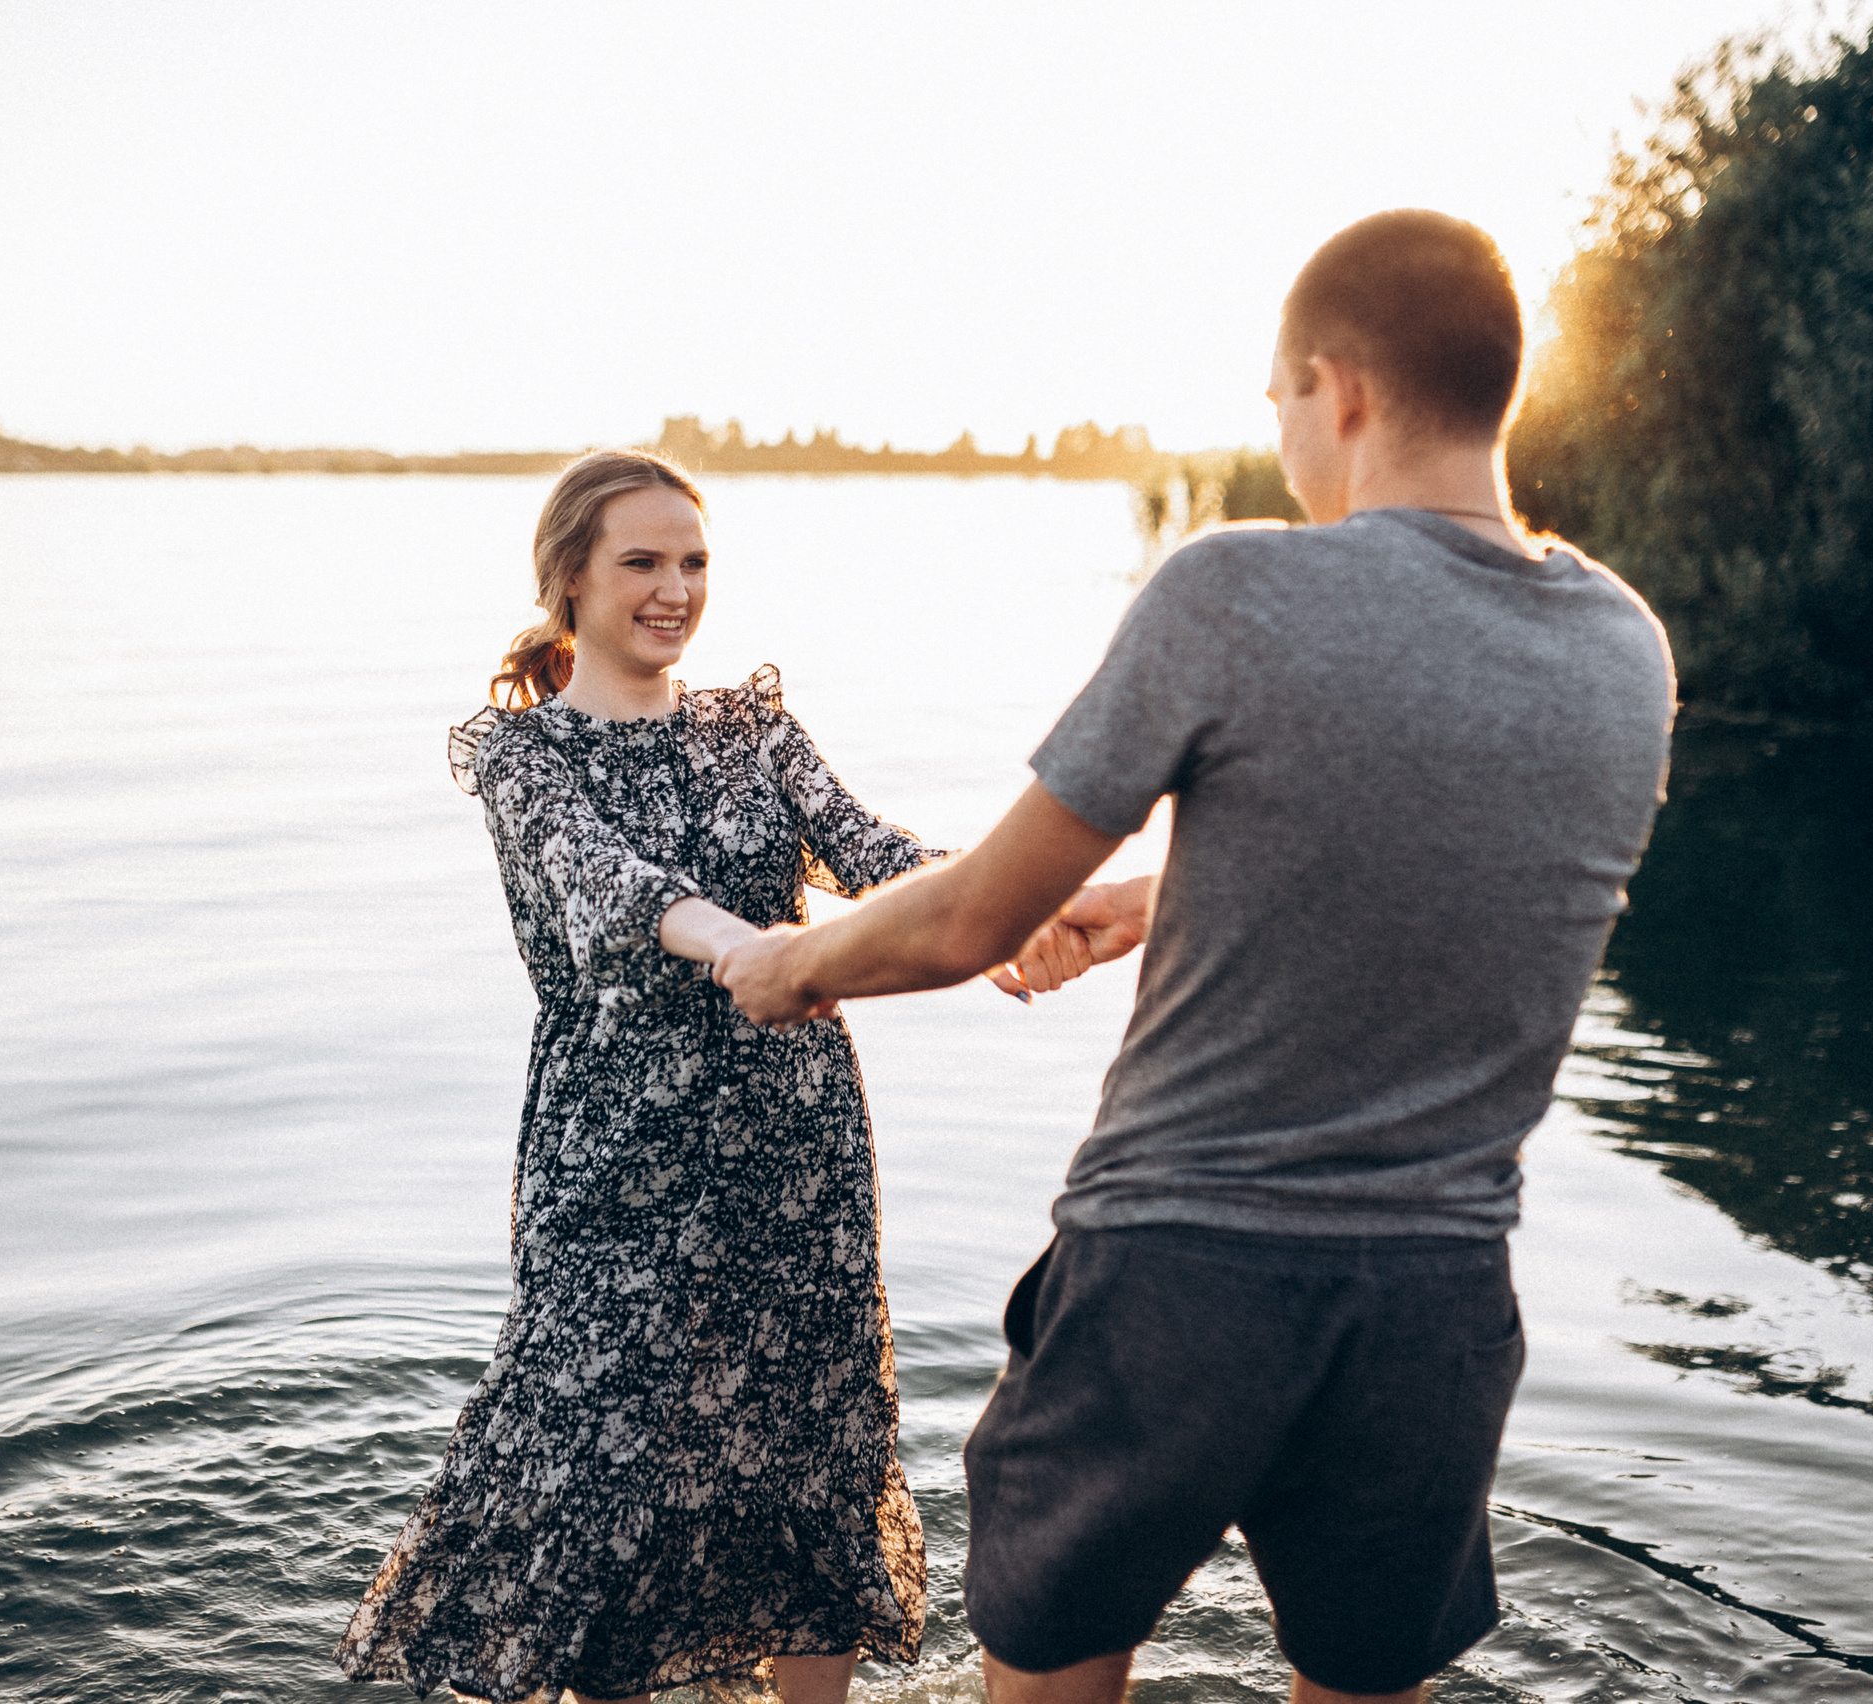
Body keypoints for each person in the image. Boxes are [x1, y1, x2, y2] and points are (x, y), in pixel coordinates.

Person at [718, 210, 1677, 1704]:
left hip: (1177, 1276)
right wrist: (1175, 891)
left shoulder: (1234, 590)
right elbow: (1470, 858)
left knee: (1046, 1671)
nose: (1286, 437)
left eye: (1281, 401)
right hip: (1433, 1299)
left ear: (1338, 386)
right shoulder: (1624, 647)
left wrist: (794, 962)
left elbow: (974, 917)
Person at [335, 449, 942, 1704]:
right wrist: (748, 946)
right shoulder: (523, 758)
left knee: (804, 1450)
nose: (676, 590)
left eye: (695, 562)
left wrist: (1027, 901)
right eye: (643, 563)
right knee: (601, 1471)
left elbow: (877, 850)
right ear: (568, 580)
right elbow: (619, 890)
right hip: (615, 1163)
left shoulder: (754, 728)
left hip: (795, 1150)